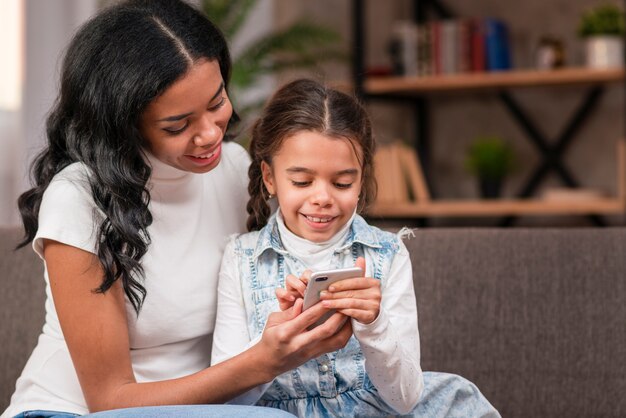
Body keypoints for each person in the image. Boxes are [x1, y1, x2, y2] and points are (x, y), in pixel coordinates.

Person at [3, 2, 353, 418]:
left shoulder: (235, 169)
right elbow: (109, 400)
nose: (209, 135)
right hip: (73, 413)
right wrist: (261, 363)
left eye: (217, 101)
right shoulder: (80, 196)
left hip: (218, 407)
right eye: (177, 125)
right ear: (124, 123)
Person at [210, 79, 501, 417]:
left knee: (459, 404)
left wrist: (374, 325)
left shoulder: (386, 253)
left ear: (361, 181)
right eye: (302, 182)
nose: (322, 198)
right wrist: (270, 348)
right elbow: (225, 403)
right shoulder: (241, 259)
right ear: (270, 178)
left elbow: (405, 397)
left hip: (373, 411)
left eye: (342, 183)